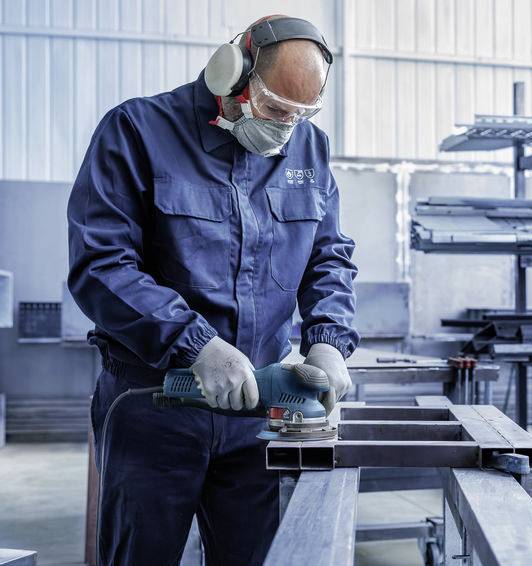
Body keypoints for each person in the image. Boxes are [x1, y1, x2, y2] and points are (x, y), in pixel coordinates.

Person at [67, 15, 359, 565]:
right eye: (275, 110)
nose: (285, 130)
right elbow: (100, 263)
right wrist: (194, 343)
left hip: (258, 414)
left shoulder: (309, 151)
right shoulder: (137, 132)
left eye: (301, 116)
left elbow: (329, 256)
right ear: (232, 74)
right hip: (154, 403)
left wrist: (327, 340)